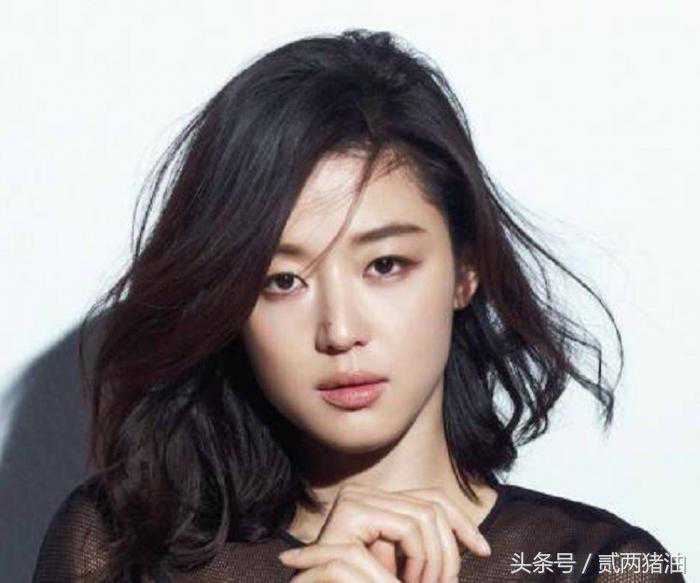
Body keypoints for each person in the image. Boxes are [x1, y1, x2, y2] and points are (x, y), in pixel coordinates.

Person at [32, 29, 684, 583]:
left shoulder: (602, 567)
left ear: (466, 269)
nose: (340, 331)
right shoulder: (116, 547)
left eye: (385, 265)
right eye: (282, 280)